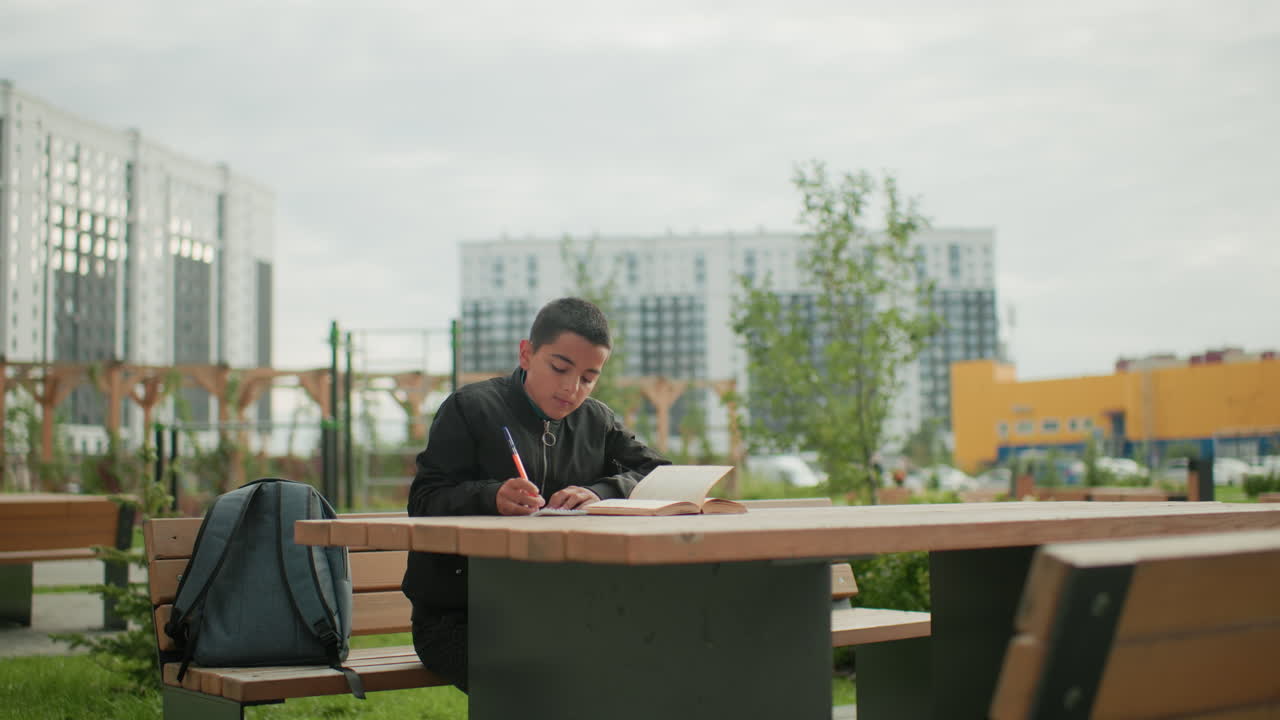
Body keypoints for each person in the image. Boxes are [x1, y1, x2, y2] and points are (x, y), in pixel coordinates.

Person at [400, 297, 669, 692]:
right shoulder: (470, 408)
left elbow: (660, 473)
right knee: (546, 684)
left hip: (561, 611)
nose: (571, 388)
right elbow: (424, 500)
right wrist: (491, 498)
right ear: (526, 354)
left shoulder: (596, 421)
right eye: (559, 367)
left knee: (641, 663)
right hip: (461, 618)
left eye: (588, 377)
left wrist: (601, 491)